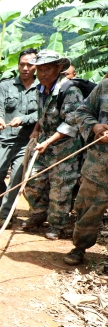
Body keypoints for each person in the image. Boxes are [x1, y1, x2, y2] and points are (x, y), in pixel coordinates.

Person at [21, 50, 84, 240]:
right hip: (45, 145)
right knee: (33, 180)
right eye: (39, 69)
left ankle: (57, 225)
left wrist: (47, 141)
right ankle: (38, 214)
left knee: (60, 188)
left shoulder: (70, 91)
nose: (43, 74)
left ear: (59, 68)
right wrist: (37, 129)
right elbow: (44, 113)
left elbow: (71, 122)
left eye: (48, 69)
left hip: (66, 149)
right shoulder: (42, 90)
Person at [0, 48, 39, 228]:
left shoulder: (42, 89)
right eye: (22, 64)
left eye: (29, 64)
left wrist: (24, 119)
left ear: (36, 66)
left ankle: (5, 214)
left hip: (25, 142)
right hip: (3, 139)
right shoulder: (5, 85)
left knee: (16, 179)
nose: (25, 68)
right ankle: (1, 205)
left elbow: (43, 113)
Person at [62, 80, 108, 265]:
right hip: (98, 165)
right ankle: (80, 247)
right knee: (87, 208)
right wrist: (95, 127)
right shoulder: (105, 86)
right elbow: (82, 112)